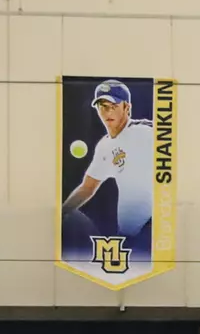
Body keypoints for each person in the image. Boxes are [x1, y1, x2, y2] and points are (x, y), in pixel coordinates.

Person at [61, 79, 154, 251]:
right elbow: (87, 188)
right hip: (128, 235)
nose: (107, 112)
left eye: (113, 106)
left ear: (126, 107)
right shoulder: (105, 146)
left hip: (151, 228)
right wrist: (61, 212)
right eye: (102, 106)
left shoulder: (145, 131)